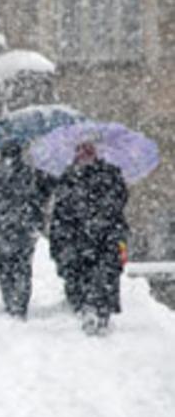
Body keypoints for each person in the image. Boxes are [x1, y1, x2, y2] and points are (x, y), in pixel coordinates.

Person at [49, 142, 129, 335]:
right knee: (106, 274)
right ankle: (102, 312)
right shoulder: (111, 174)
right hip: (107, 234)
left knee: (83, 273)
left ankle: (89, 309)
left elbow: (61, 211)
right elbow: (120, 200)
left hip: (79, 237)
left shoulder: (69, 177)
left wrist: (59, 238)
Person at [0, 142, 48, 318]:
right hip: (25, 228)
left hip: (0, 228)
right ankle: (20, 304)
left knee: (5, 266)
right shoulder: (31, 173)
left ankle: (10, 300)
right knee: (23, 267)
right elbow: (44, 195)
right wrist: (37, 218)